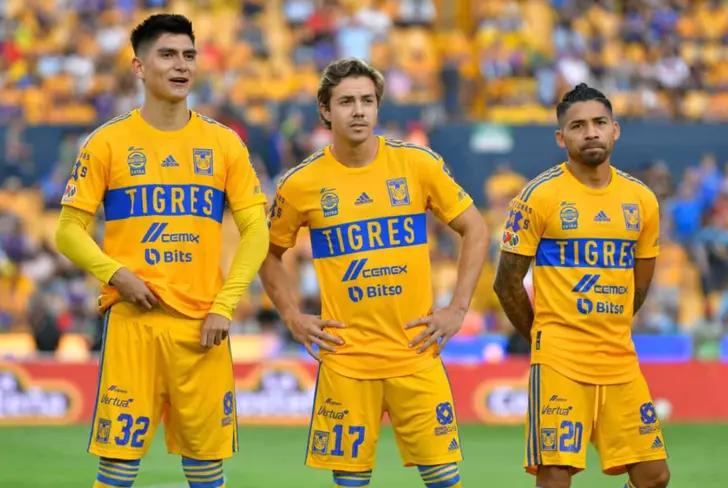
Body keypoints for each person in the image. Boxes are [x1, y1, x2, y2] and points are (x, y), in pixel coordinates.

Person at [55, 14, 268, 488]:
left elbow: (257, 231)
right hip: (133, 323)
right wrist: (116, 274)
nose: (181, 65)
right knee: (117, 466)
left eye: (189, 55)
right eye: (167, 54)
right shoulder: (108, 142)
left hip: (203, 328)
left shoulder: (223, 143)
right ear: (138, 66)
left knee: (206, 468)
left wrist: (226, 303)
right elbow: (68, 229)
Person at [259, 58, 487, 488]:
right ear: (326, 110)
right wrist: (292, 316)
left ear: (379, 107)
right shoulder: (301, 183)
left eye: (367, 100)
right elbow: (268, 253)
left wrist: (457, 309)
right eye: (346, 101)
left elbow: (474, 226)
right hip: (345, 359)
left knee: (445, 481)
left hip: (415, 353)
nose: (358, 110)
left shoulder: (416, 164)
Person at [493, 83, 670, 488]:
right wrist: (542, 334)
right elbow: (506, 283)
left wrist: (613, 322)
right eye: (578, 126)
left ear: (615, 130)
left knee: (654, 476)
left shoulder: (641, 200)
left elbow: (639, 284)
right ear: (562, 137)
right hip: (559, 361)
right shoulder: (538, 196)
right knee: (555, 477)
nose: (590, 132)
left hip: (619, 358)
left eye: (599, 123)